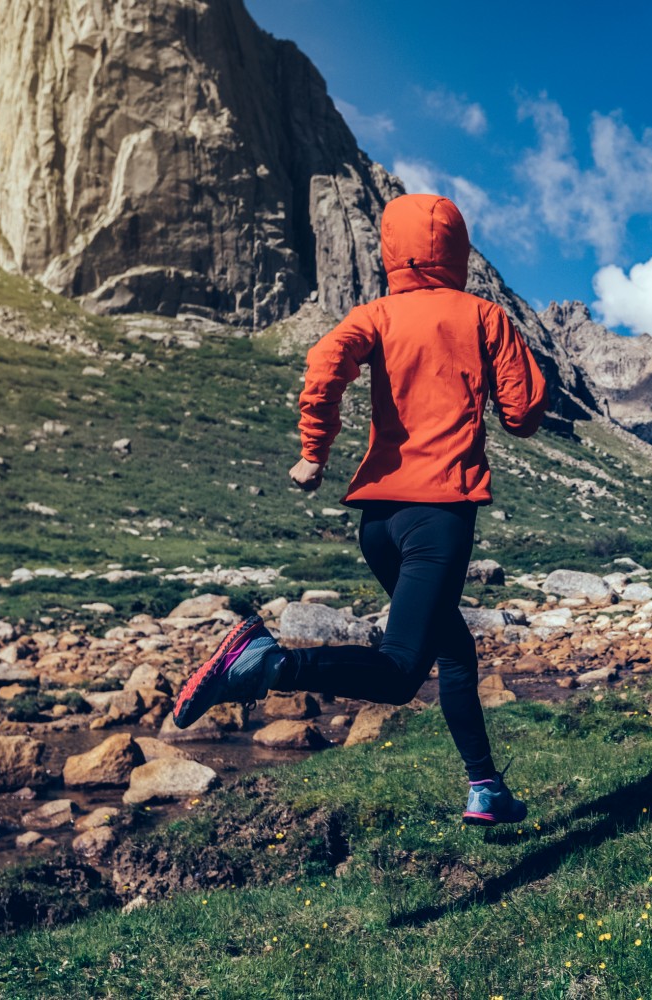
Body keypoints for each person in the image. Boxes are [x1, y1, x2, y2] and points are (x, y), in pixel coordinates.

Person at [170, 193, 548, 826]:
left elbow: (323, 364)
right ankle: (268, 662)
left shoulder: (374, 314)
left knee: (453, 651)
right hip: (439, 518)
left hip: (379, 521)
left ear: (391, 250)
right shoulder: (483, 315)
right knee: (401, 672)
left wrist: (314, 452)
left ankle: (486, 787)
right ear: (457, 247)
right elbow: (524, 416)